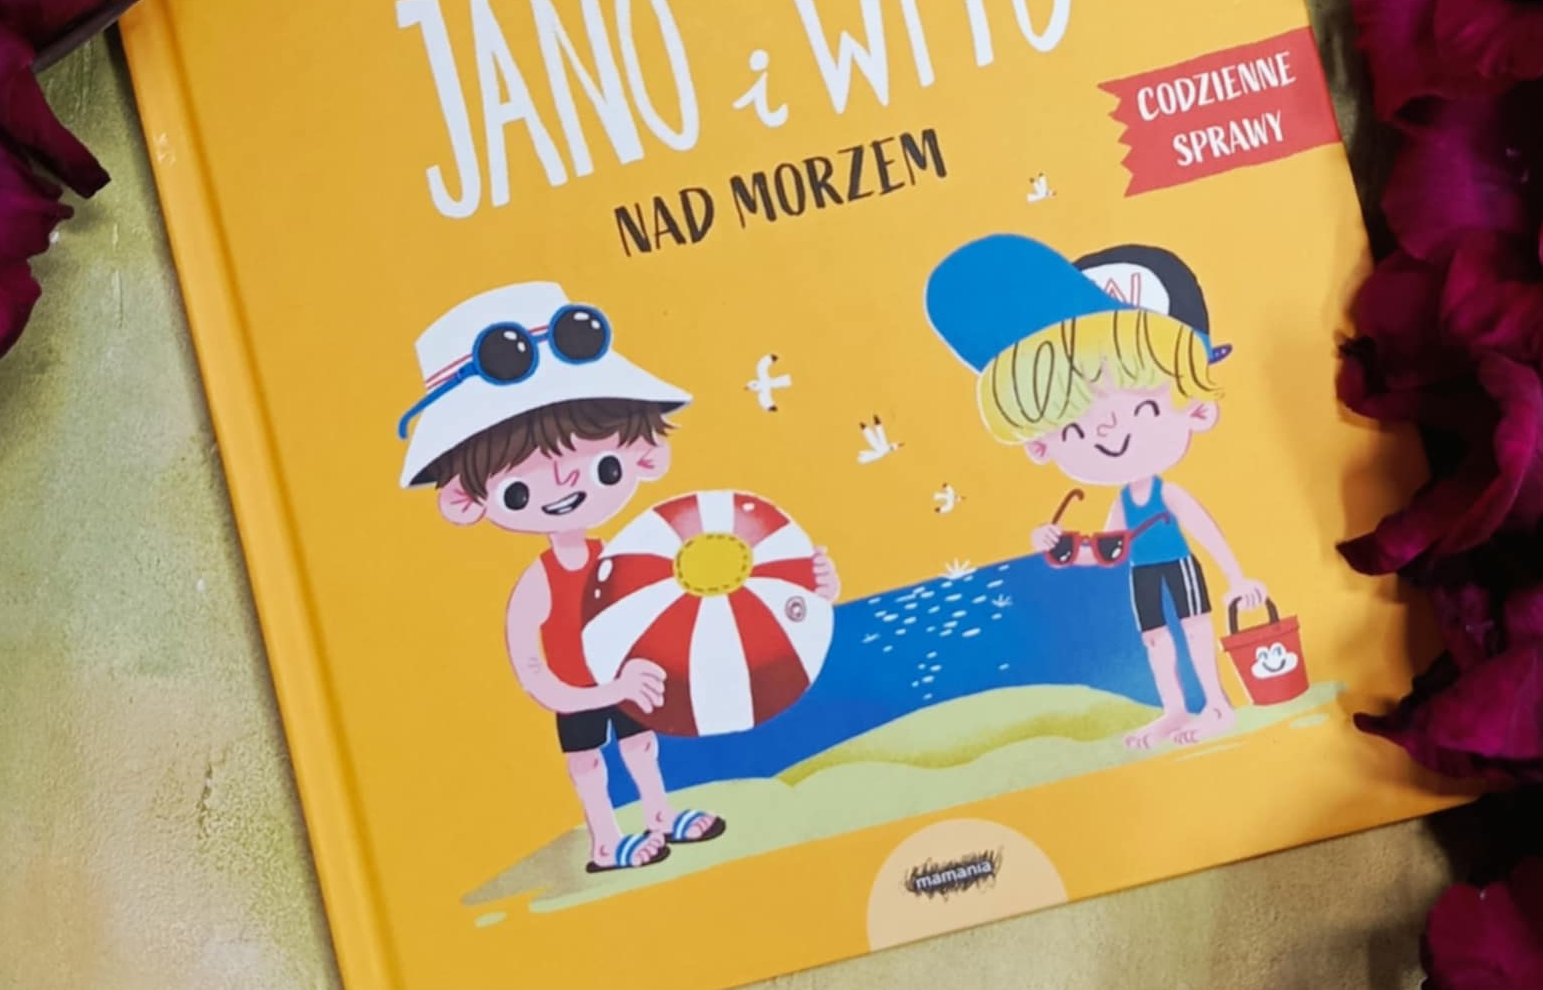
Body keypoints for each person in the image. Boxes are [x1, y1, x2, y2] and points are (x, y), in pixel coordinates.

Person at [398, 280, 835, 871]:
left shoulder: (635, 554)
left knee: (641, 744)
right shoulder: (539, 582)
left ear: (647, 455)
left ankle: (659, 816)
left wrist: (812, 587)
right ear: (463, 501)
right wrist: (604, 692)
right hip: (584, 690)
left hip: (630, 677)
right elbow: (532, 672)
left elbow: (713, 602)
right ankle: (605, 844)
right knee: (587, 762)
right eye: (519, 488)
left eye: (603, 465)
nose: (565, 483)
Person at [926, 234, 1265, 750]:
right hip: (1142, 575)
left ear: (1196, 409)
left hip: (1179, 568)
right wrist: (1059, 547)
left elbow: (1202, 530)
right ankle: (1174, 710)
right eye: (1074, 429)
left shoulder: (1167, 493)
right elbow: (1109, 550)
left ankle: (1216, 705)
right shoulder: (1121, 502)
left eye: (1144, 407)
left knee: (1197, 630)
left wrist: (1237, 579)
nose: (1106, 432)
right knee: (1156, 642)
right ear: (1041, 445)